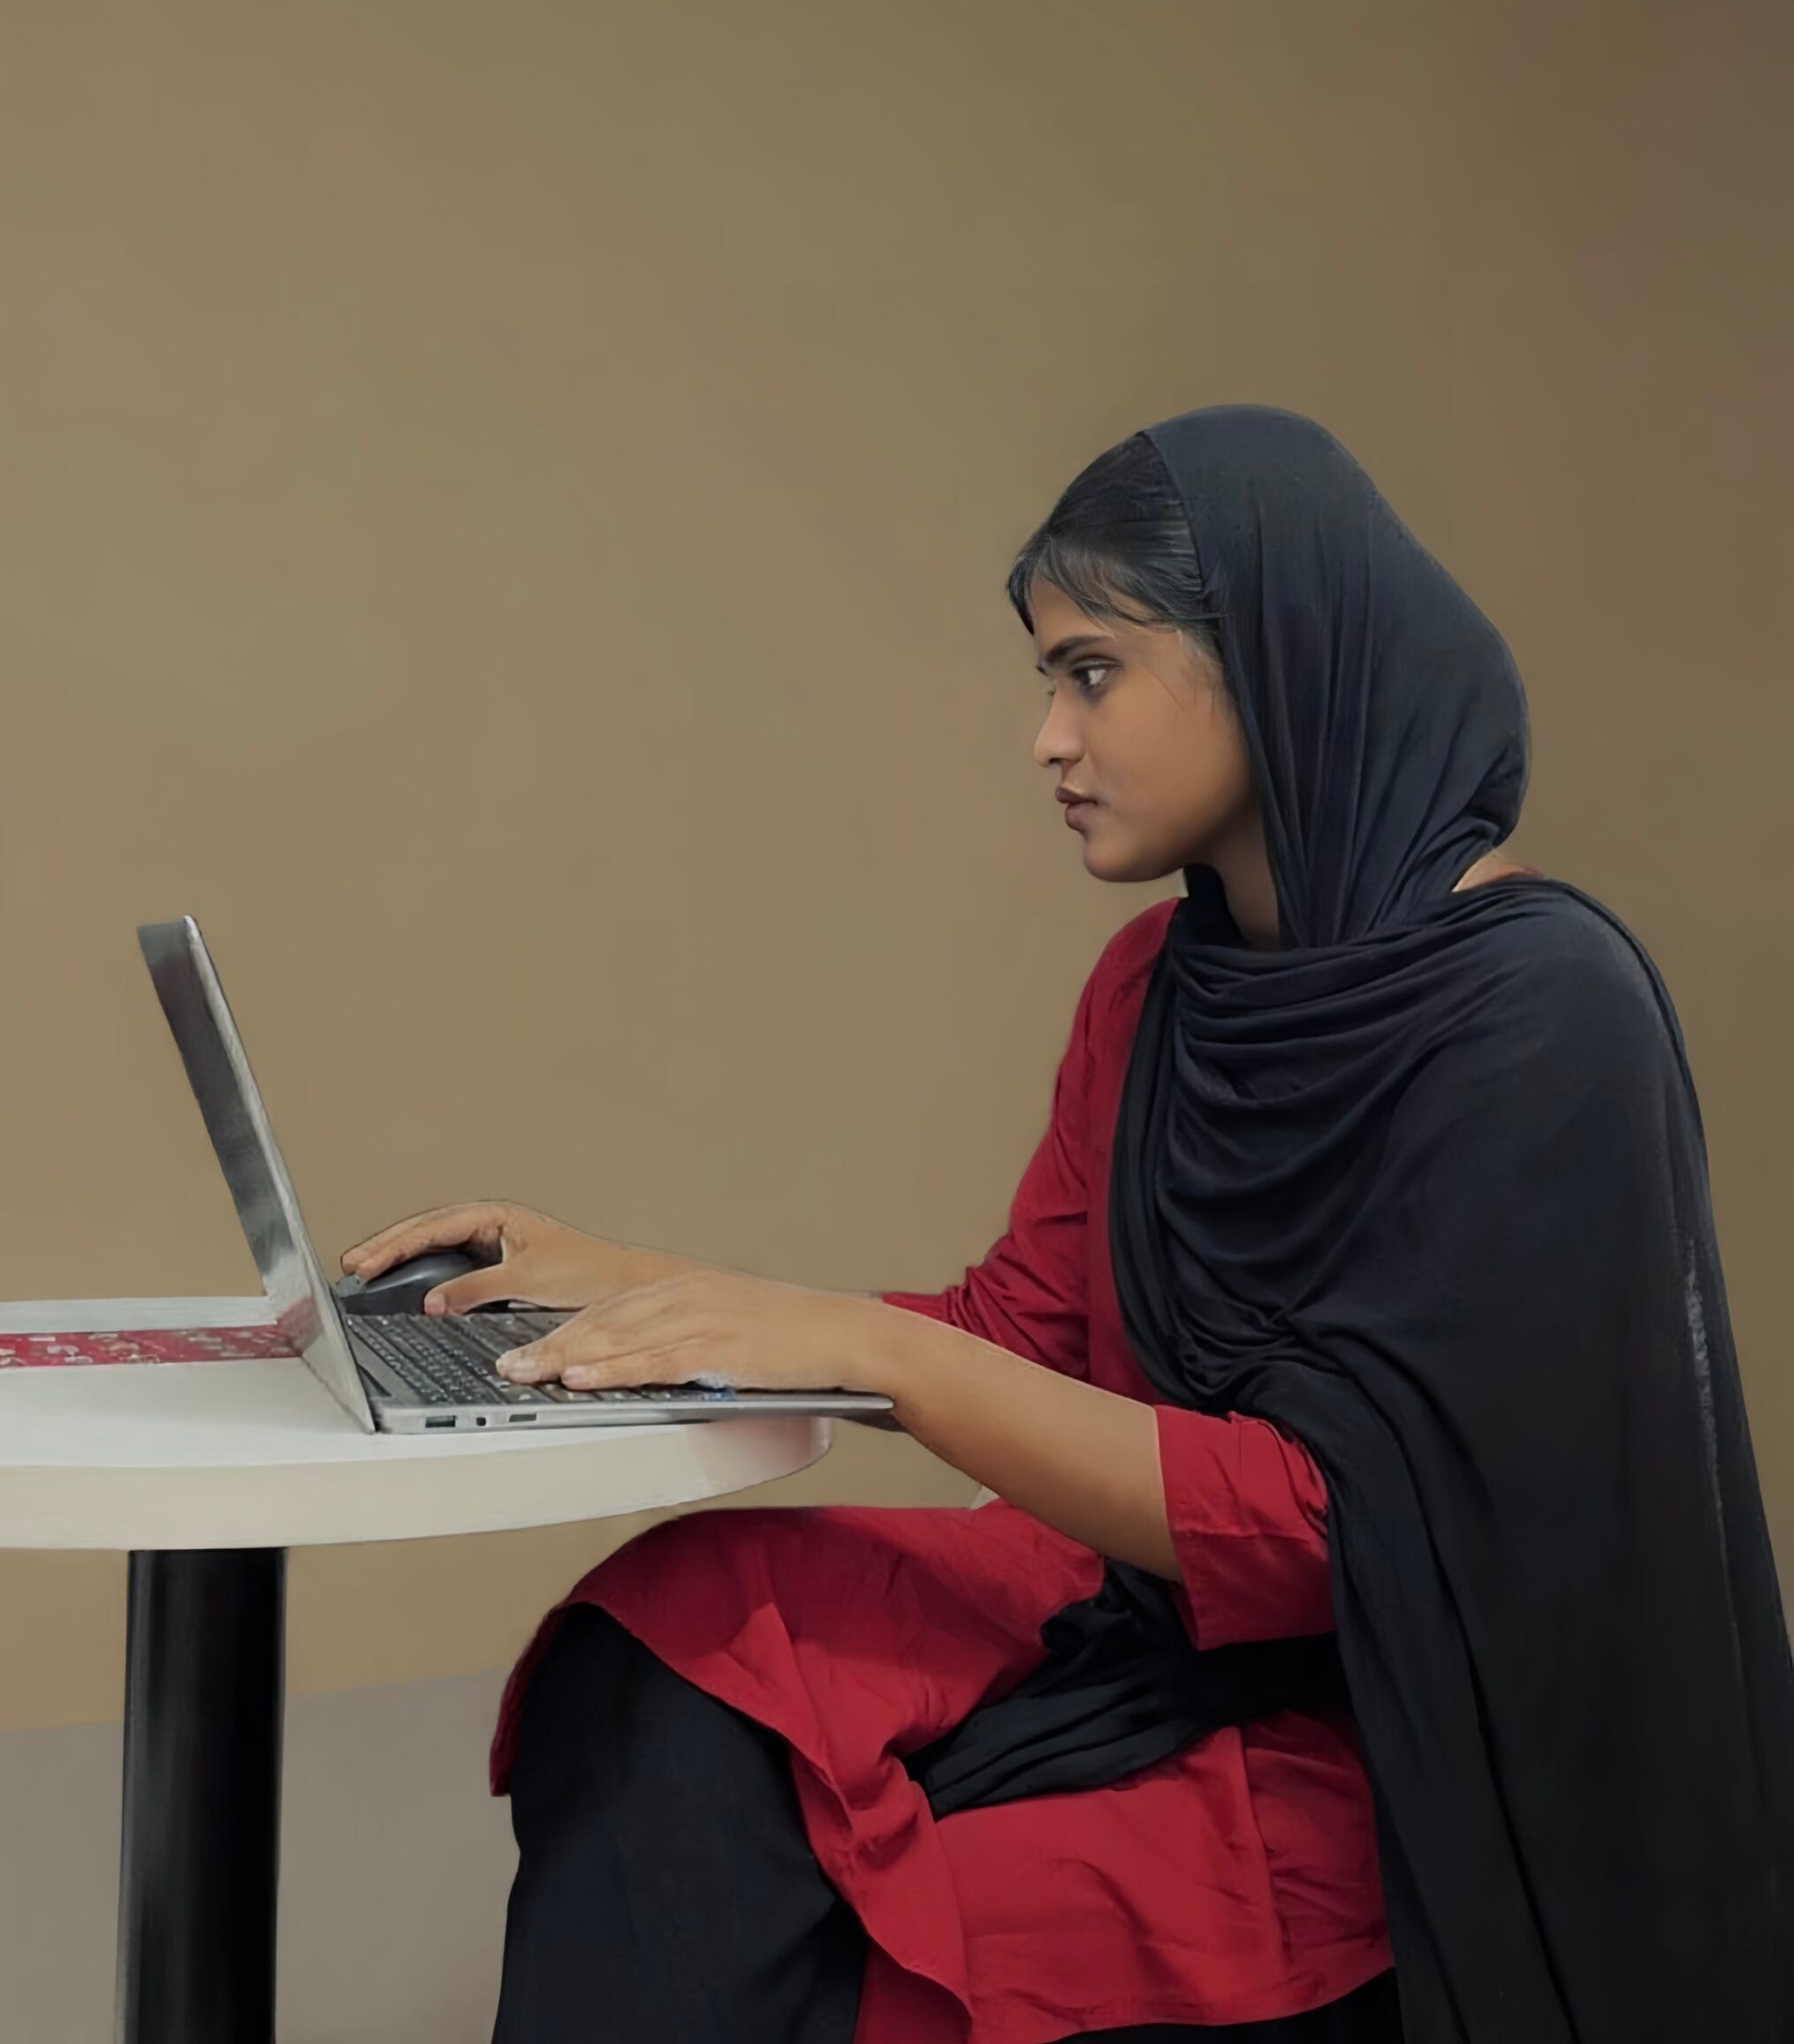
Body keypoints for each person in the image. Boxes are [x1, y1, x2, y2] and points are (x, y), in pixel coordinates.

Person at [342, 407, 1794, 2044]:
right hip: (1144, 1617)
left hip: (1398, 1734)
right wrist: (631, 1283)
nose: (1047, 737)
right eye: (1048, 679)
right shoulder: (1154, 989)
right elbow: (1023, 1336)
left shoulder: (1539, 1012)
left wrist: (865, 1348)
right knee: (664, 1653)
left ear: (1272, 661)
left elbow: (1343, 1529)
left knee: (885, 1939)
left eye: (1091, 672)